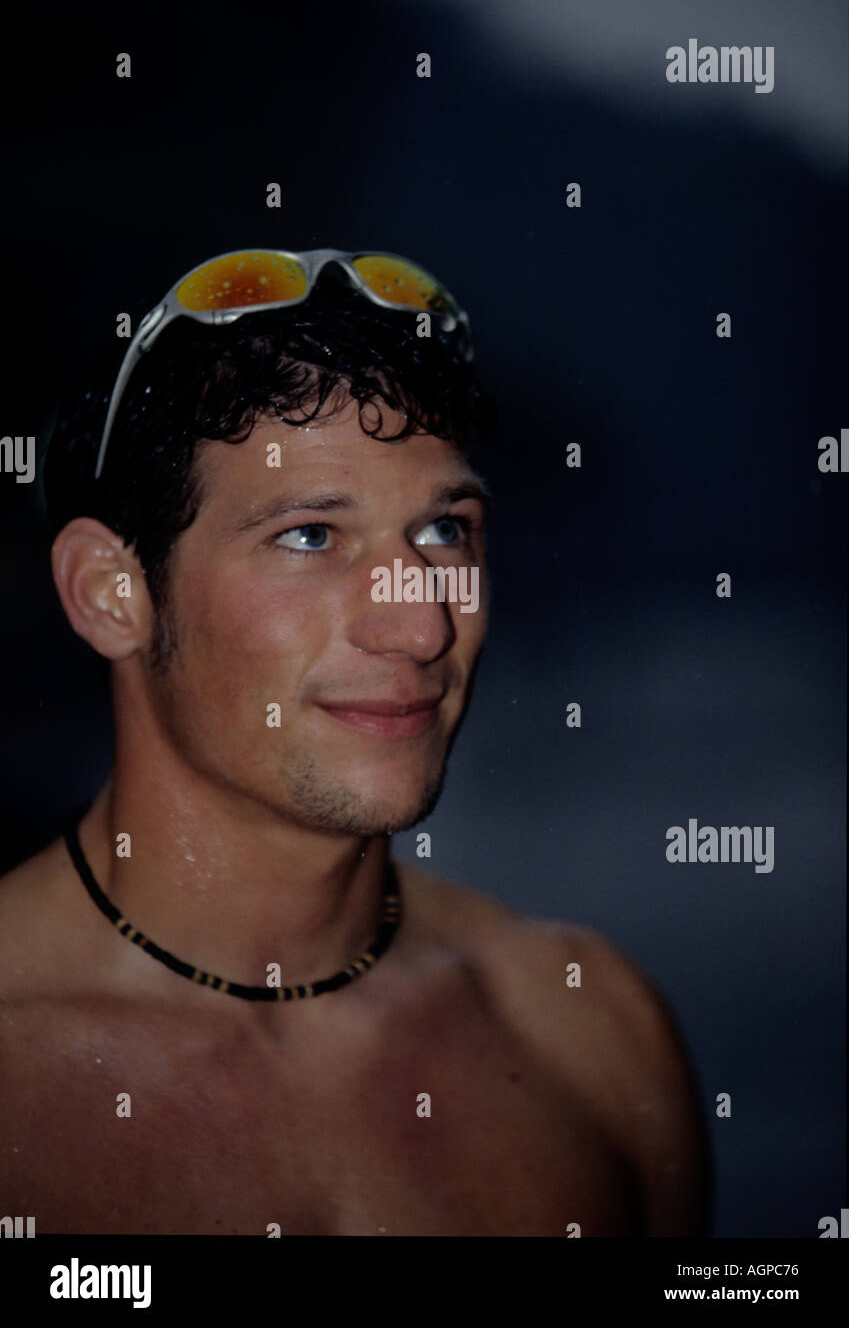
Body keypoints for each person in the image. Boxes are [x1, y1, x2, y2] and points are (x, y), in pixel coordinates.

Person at [0, 248, 710, 1236]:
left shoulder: (591, 1033)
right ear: (110, 594)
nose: (420, 627)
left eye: (445, 531)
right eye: (311, 538)